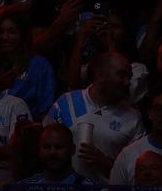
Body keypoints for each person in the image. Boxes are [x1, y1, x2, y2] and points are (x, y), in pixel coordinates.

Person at [46, 49, 142, 181]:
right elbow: (42, 146)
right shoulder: (66, 103)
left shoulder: (133, 118)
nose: (127, 82)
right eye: (121, 75)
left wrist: (106, 163)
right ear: (100, 75)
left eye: (129, 77)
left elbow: (136, 173)